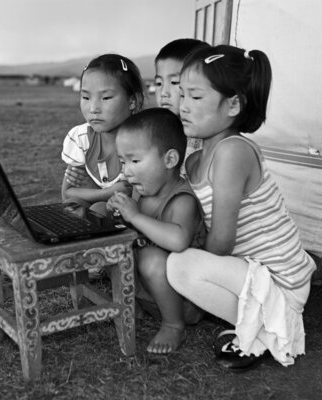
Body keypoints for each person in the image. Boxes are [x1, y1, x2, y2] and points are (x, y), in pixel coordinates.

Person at [166, 44, 316, 371]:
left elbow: (222, 238)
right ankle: (251, 315)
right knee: (180, 260)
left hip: (280, 281)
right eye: (182, 95)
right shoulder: (196, 157)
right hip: (251, 271)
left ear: (233, 104)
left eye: (195, 96)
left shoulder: (232, 151)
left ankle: (267, 328)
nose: (183, 106)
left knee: (180, 266)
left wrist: (192, 255)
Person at [107, 107, 203, 354]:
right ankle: (131, 301)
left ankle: (173, 325)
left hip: (182, 301)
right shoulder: (143, 188)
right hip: (148, 291)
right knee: (100, 213)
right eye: (123, 162)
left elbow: (179, 240)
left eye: (135, 161)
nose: (127, 171)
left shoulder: (181, 199)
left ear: (169, 160)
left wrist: (135, 216)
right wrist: (121, 213)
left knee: (150, 258)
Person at [61, 53, 145, 213]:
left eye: (105, 98)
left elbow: (136, 202)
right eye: (85, 97)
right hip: (100, 206)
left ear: (132, 101)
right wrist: (105, 192)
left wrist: (92, 194)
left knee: (99, 209)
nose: (93, 109)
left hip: (132, 217)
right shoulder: (80, 137)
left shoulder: (143, 142)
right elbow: (68, 193)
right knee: (71, 208)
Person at [154, 38, 210, 171]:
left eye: (174, 82)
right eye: (158, 83)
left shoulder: (204, 137)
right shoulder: (154, 130)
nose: (163, 93)